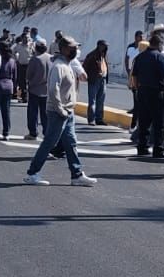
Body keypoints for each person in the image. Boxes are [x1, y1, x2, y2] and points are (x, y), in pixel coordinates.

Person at [21, 36, 97, 187]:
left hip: (68, 112)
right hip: (58, 112)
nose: (75, 50)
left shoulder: (67, 64)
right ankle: (32, 173)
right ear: (63, 49)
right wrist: (60, 109)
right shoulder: (59, 66)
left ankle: (77, 175)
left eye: (76, 48)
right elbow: (52, 89)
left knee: (71, 143)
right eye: (72, 48)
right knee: (49, 143)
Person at [131, 32, 164, 158]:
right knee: (159, 123)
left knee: (143, 122)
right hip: (156, 93)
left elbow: (135, 75)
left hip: (143, 92)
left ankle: (142, 147)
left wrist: (138, 89)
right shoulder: (159, 58)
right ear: (159, 44)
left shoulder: (140, 57)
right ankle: (158, 149)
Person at [24, 41, 52, 140]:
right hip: (47, 89)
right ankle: (47, 132)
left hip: (35, 89)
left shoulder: (35, 59)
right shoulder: (50, 58)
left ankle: (33, 133)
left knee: (33, 113)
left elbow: (28, 75)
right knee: (45, 113)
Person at [83, 40, 110, 125]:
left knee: (101, 100)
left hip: (103, 79)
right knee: (92, 101)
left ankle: (99, 119)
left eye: (106, 46)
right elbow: (85, 67)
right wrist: (90, 77)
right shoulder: (92, 55)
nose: (105, 47)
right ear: (99, 46)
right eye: (104, 46)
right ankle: (91, 119)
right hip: (94, 80)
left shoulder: (104, 55)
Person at [0, 43, 17, 140]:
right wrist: (14, 87)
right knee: (6, 110)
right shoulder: (12, 61)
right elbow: (15, 76)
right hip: (9, 85)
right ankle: (6, 132)